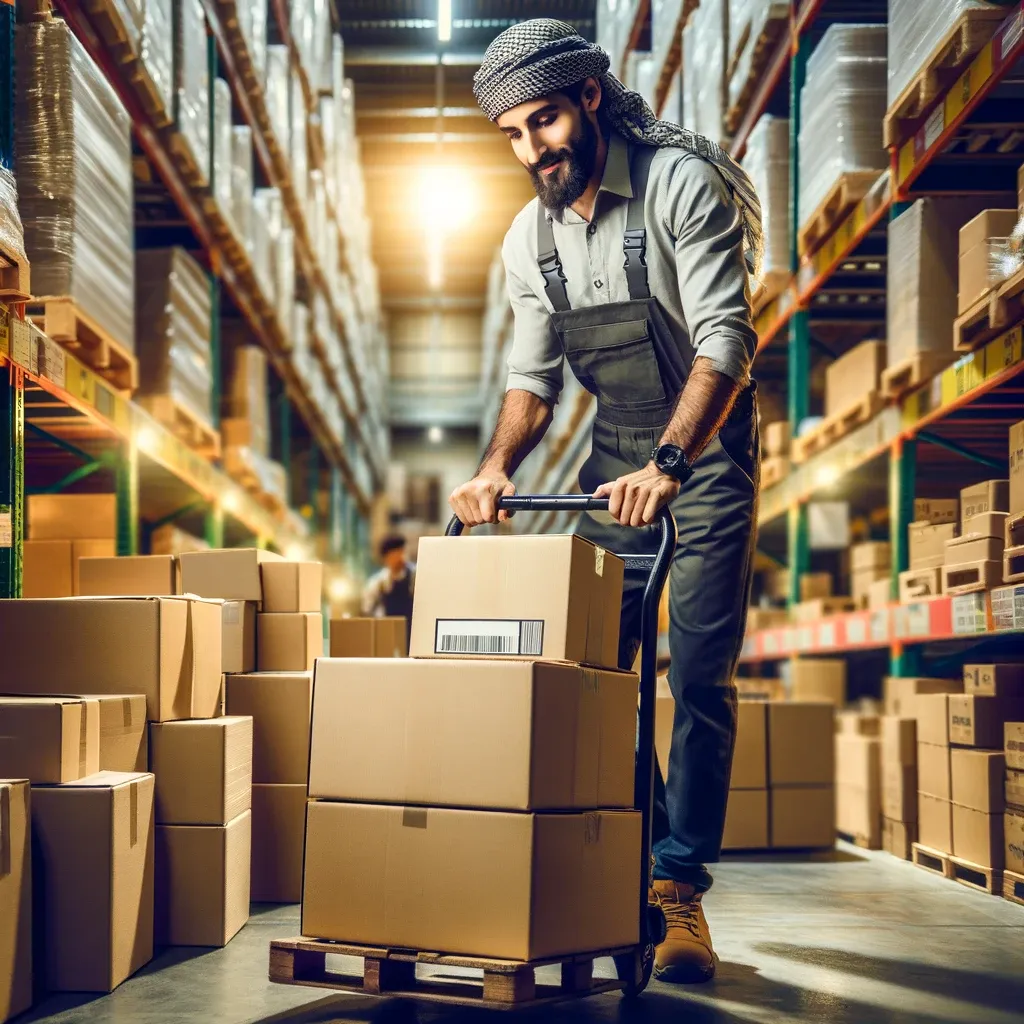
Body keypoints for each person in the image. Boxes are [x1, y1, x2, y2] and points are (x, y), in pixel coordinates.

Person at [450, 19, 761, 984]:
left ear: (589, 97)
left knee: (697, 675)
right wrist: (496, 466)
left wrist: (671, 460)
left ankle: (678, 891)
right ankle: (618, 871)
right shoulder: (528, 238)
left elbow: (726, 341)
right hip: (610, 459)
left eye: (542, 121)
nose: (531, 148)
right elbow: (532, 380)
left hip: (700, 452)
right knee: (596, 672)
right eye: (510, 133)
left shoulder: (678, 185)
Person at [362, 534, 416, 624]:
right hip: (389, 632)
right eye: (395, 554)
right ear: (386, 557)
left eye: (402, 552)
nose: (400, 557)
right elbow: (367, 610)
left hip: (414, 629)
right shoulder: (379, 583)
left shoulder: (415, 576)